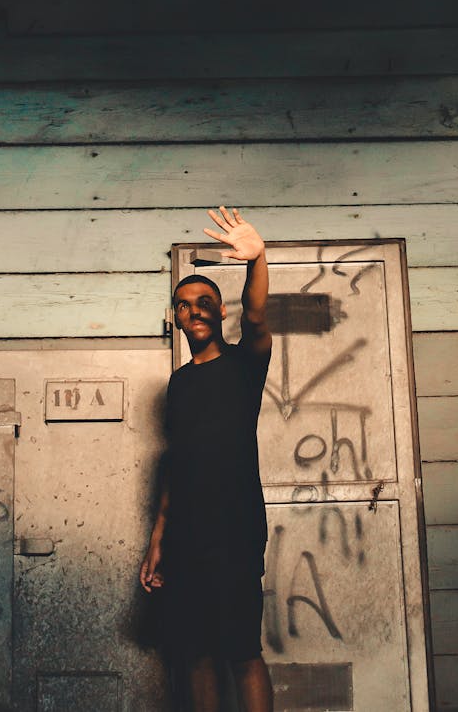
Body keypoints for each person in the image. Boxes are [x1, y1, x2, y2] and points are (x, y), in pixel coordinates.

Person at [140, 206, 274, 712]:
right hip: (186, 540)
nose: (193, 311)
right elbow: (177, 462)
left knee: (242, 652)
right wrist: (157, 541)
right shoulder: (179, 382)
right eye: (183, 304)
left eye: (203, 302)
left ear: (220, 312)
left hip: (236, 534)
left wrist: (256, 260)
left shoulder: (245, 364)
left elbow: (258, 314)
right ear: (175, 316)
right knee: (193, 654)